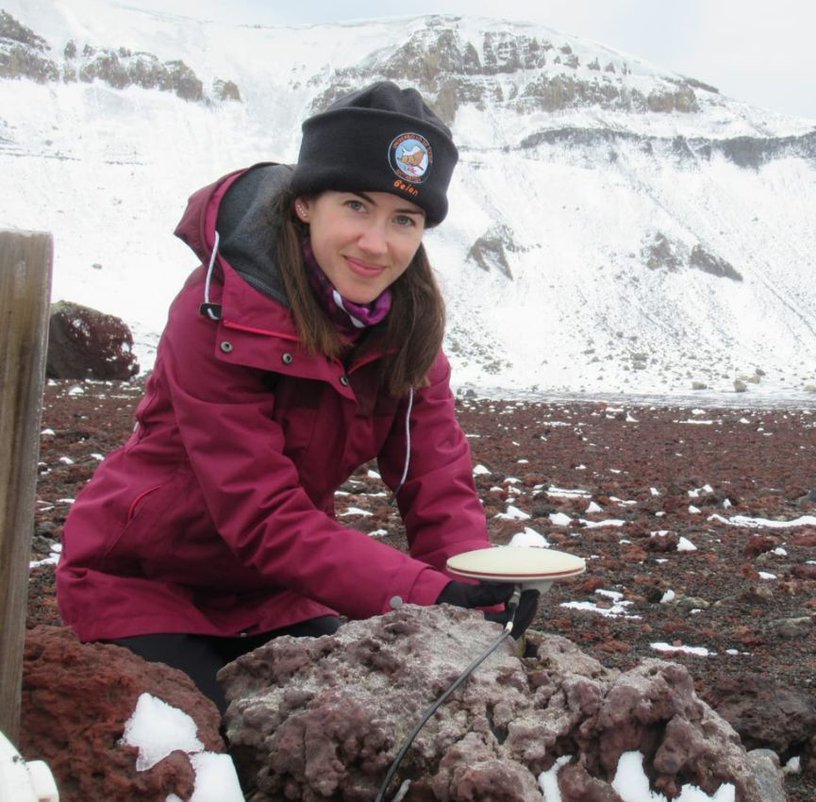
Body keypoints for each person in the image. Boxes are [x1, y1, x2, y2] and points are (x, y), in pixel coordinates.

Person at [56, 82, 536, 715]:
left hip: (280, 593)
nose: (376, 243)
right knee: (232, 746)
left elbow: (436, 483)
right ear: (306, 202)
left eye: (404, 220)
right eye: (357, 206)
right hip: (144, 584)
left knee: (358, 723)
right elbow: (262, 514)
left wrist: (480, 588)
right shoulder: (216, 310)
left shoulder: (409, 331)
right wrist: (427, 592)